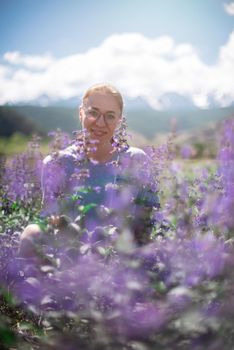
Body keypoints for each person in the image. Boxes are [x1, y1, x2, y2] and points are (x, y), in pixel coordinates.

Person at [19, 83, 160, 258]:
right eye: (93, 112)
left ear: (119, 120)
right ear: (81, 113)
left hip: (121, 255)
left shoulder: (136, 160)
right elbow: (49, 219)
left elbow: (148, 219)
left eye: (110, 116)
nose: (100, 123)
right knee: (30, 234)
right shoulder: (58, 163)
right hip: (71, 253)